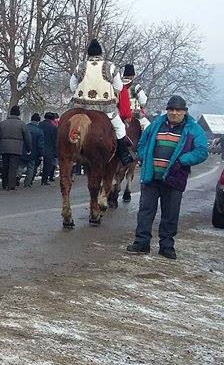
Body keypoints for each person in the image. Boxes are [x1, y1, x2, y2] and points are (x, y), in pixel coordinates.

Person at [126, 96, 208, 259]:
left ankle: (167, 245)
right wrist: (143, 156)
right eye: (171, 109)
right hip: (151, 177)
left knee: (170, 213)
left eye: (178, 110)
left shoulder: (193, 129)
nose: (174, 112)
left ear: (185, 112)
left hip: (174, 177)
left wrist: (183, 160)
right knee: (145, 210)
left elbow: (202, 151)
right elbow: (142, 143)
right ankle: (142, 243)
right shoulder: (156, 124)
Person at [69, 39, 134, 165]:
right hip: (106, 109)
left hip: (82, 108)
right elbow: (119, 87)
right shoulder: (110, 66)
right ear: (100, 53)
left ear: (88, 54)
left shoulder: (80, 66)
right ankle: (124, 154)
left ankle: (66, 152)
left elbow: (72, 86)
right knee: (120, 128)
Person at [0, 105, 31, 190]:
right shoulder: (22, 124)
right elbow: (27, 137)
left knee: (5, 166)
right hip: (16, 149)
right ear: (18, 114)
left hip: (4, 148)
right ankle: (11, 185)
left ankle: (4, 184)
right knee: (13, 167)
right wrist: (28, 148)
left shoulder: (2, 123)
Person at [118, 63, 150, 130]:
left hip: (118, 114)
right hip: (134, 115)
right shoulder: (136, 86)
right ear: (133, 75)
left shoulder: (118, 84)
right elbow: (143, 102)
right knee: (148, 126)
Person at [23, 113, 45, 188]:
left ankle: (18, 176)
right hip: (33, 152)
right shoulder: (39, 131)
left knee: (20, 165)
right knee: (31, 167)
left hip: (23, 150)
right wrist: (41, 154)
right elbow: (40, 145)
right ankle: (27, 183)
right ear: (38, 121)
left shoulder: (25, 127)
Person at [38, 112, 59, 184]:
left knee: (35, 163)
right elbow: (55, 140)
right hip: (49, 148)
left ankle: (30, 179)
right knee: (47, 165)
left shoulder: (39, 125)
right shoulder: (53, 127)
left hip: (39, 146)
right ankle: (44, 180)